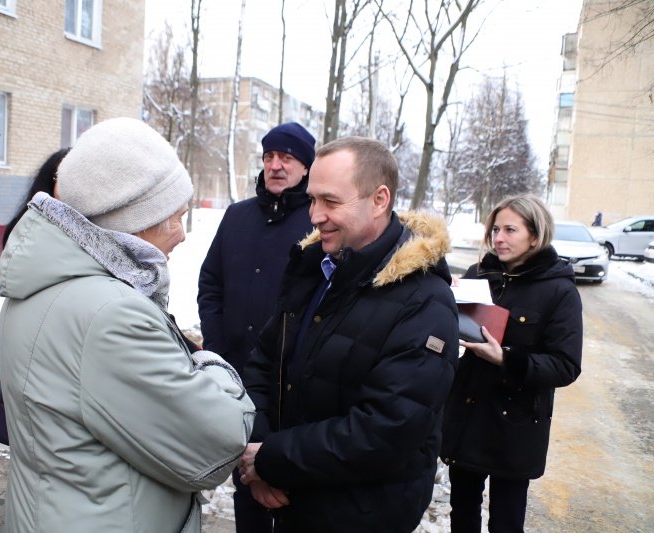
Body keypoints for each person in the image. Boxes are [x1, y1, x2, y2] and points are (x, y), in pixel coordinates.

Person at [0, 117, 254, 532]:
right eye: (174, 218)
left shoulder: (43, 283)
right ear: (132, 221)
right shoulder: (110, 314)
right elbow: (216, 446)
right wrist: (212, 368)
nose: (183, 235)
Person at [238, 136, 460, 533]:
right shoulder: (315, 270)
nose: (314, 215)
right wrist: (262, 454)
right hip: (293, 503)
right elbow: (263, 364)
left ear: (379, 200)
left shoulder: (425, 300)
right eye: (312, 199)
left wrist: (271, 460)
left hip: (360, 516)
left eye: (331, 201)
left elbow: (386, 430)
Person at [198, 121, 315, 533]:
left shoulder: (319, 224)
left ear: (306, 167)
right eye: (269, 157)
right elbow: (210, 283)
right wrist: (216, 345)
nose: (276, 166)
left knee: (290, 493)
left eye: (287, 158)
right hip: (237, 377)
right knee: (246, 488)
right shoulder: (237, 216)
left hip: (292, 386)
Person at [441, 194, 583, 532]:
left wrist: (505, 359)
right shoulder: (479, 274)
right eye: (495, 230)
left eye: (510, 230)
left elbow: (565, 365)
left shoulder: (559, 290)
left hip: (515, 426)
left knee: (506, 520)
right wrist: (448, 299)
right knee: (462, 514)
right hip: (467, 414)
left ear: (535, 236)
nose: (499, 239)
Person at [0, 148, 70, 446]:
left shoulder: (97, 230)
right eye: (65, 177)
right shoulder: (30, 227)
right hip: (35, 342)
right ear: (49, 181)